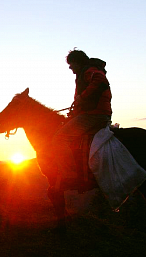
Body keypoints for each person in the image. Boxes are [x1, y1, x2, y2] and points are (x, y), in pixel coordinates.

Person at [52, 49, 112, 188]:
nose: (70, 67)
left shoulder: (89, 70)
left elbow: (100, 81)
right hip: (96, 113)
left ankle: (71, 175)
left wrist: (82, 97)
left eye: (71, 64)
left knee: (59, 138)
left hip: (93, 115)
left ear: (78, 62)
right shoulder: (88, 71)